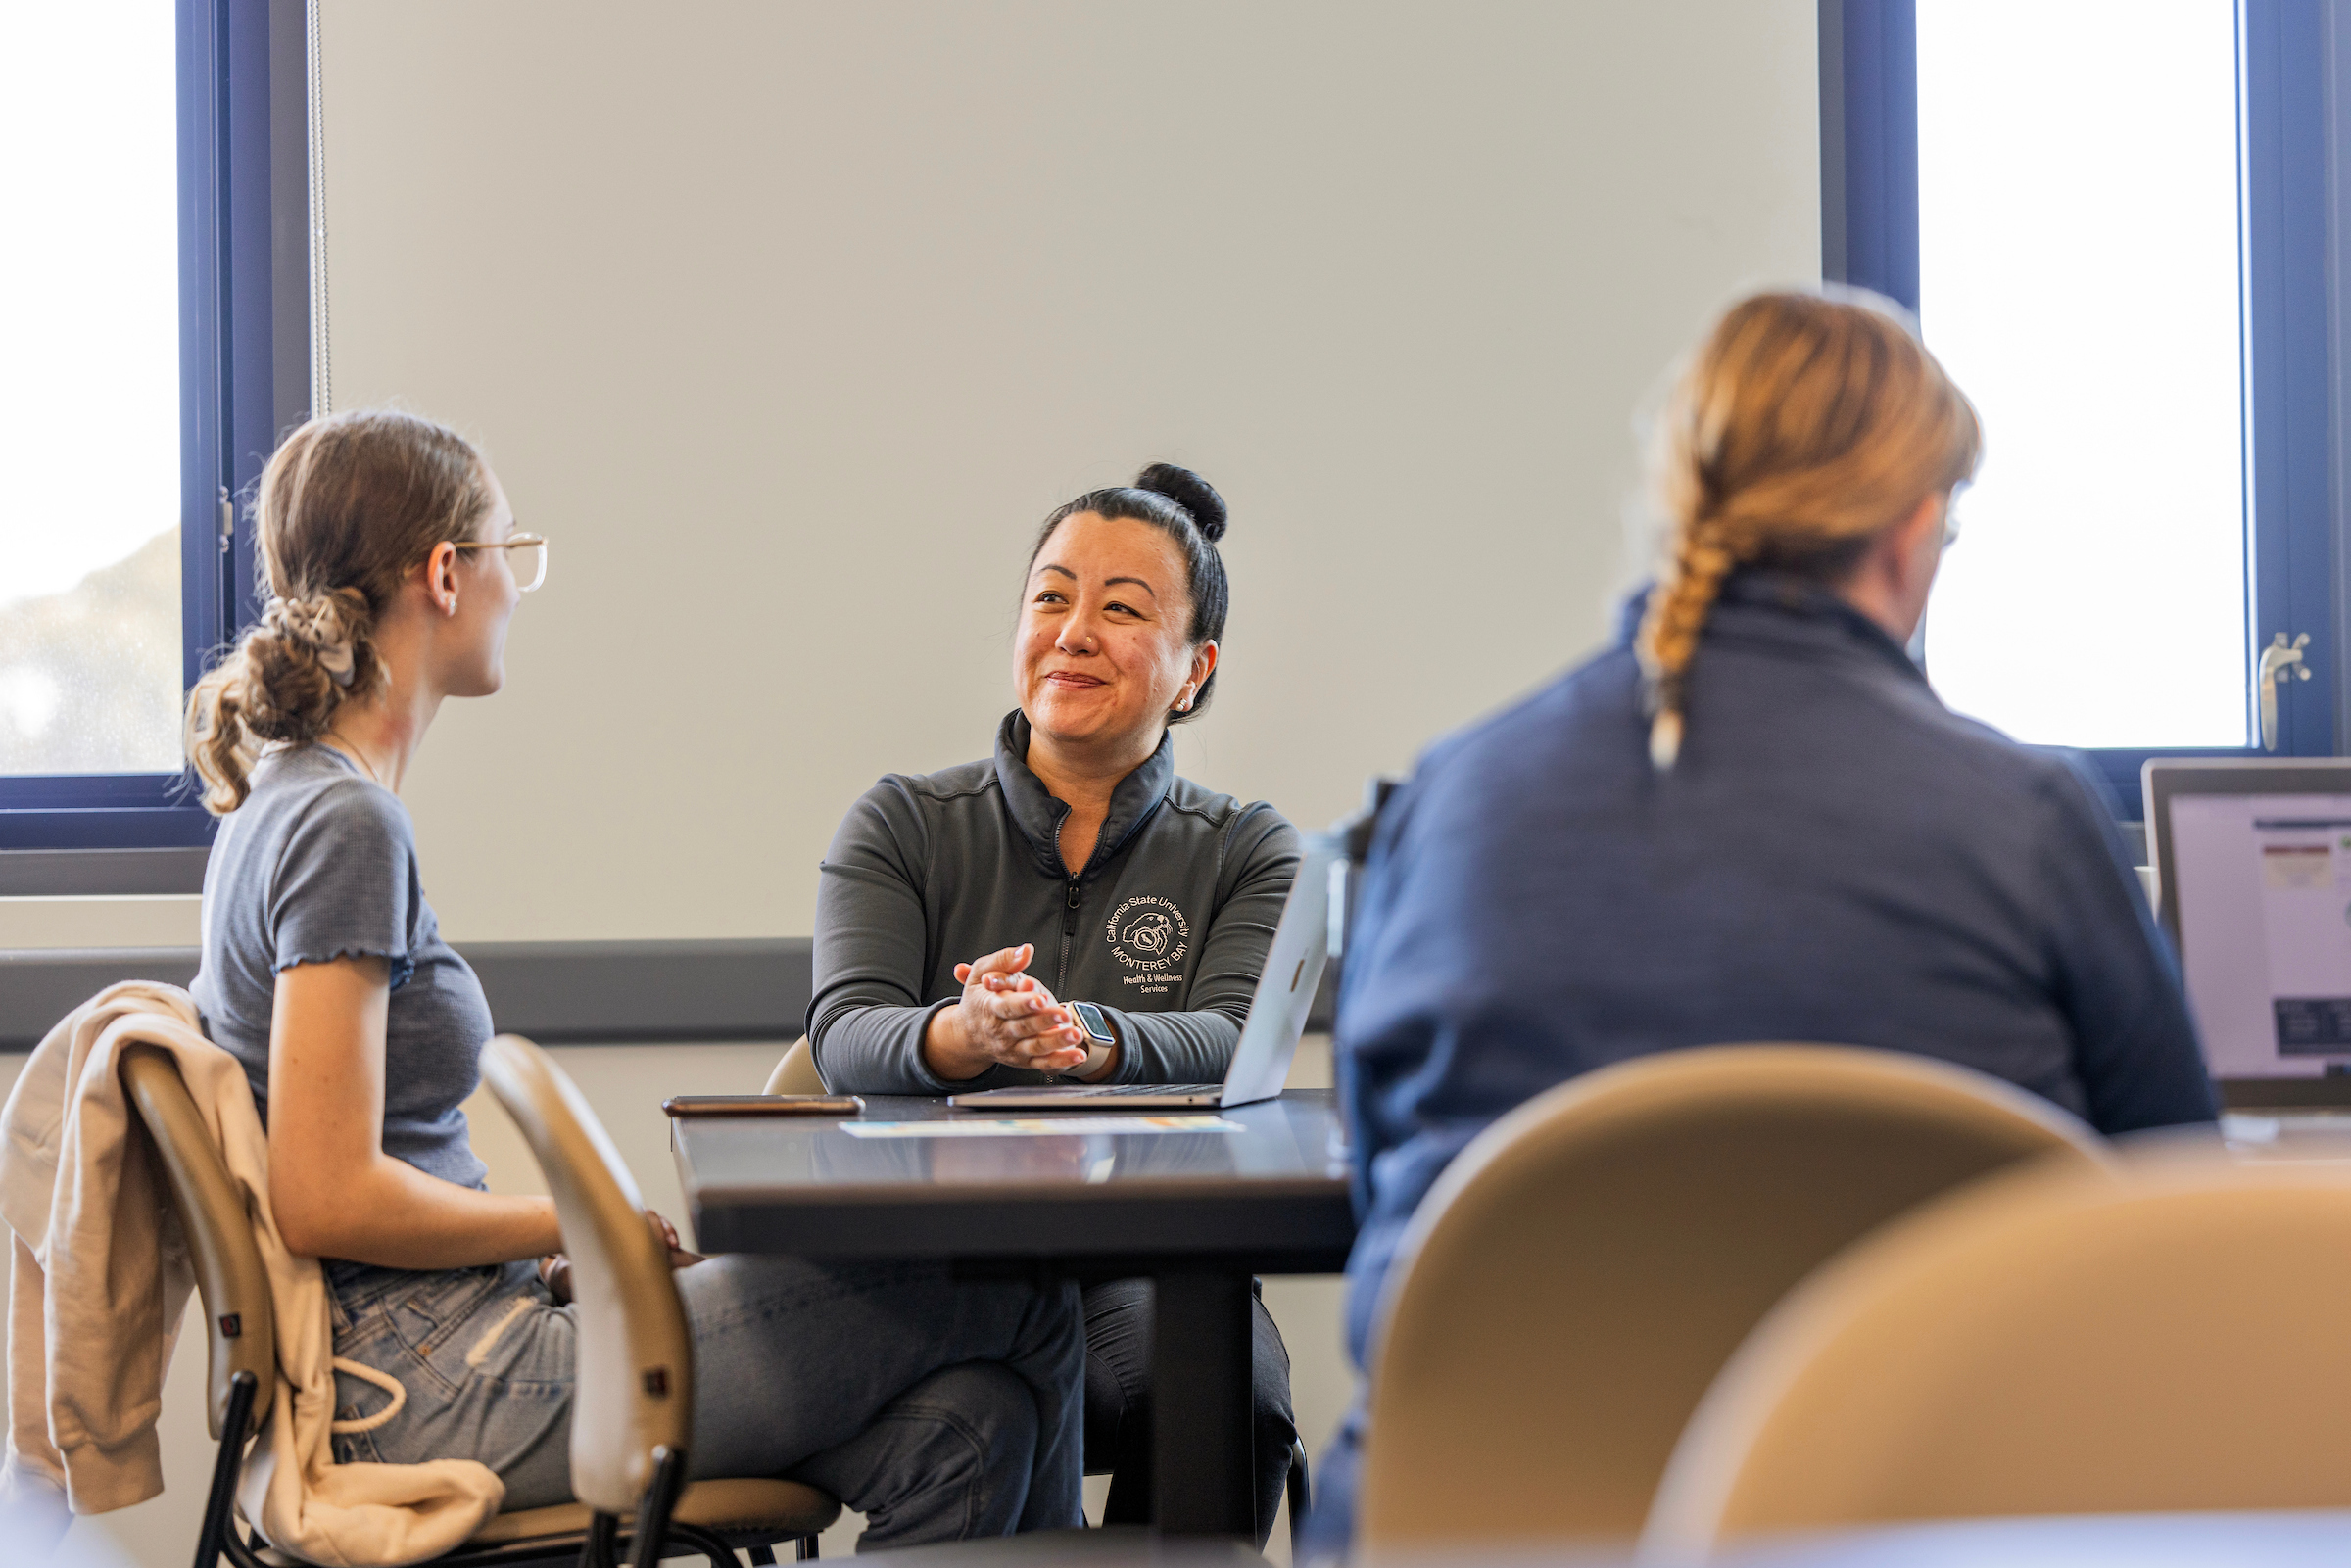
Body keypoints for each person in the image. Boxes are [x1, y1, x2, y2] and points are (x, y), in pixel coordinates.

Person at [1303, 289, 2220, 1553]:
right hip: (1940, 1526)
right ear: (1910, 532)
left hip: (1480, 1529)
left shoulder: (1456, 793)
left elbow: (1389, 1173)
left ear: (1683, 509)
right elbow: (2173, 1220)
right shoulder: (2025, 813)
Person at [183, 409, 1083, 1546]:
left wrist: (556, 1242)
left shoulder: (297, 800)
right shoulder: (344, 821)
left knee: (972, 1422)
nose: (520, 585)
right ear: (445, 575)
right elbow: (326, 1193)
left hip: (443, 1344)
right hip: (429, 1384)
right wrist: (577, 1218)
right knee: (1031, 1294)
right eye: (513, 552)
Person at [808, 463, 1303, 1541]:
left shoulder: (1247, 846)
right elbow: (845, 1037)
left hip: (1151, 1263)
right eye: (1051, 596)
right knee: (998, 1414)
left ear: (1193, 668)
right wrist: (966, 1031)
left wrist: (1093, 1040)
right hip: (932, 1263)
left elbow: (1233, 1040)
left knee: (1233, 1405)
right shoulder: (902, 823)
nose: (1073, 631)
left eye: (1122, 609)